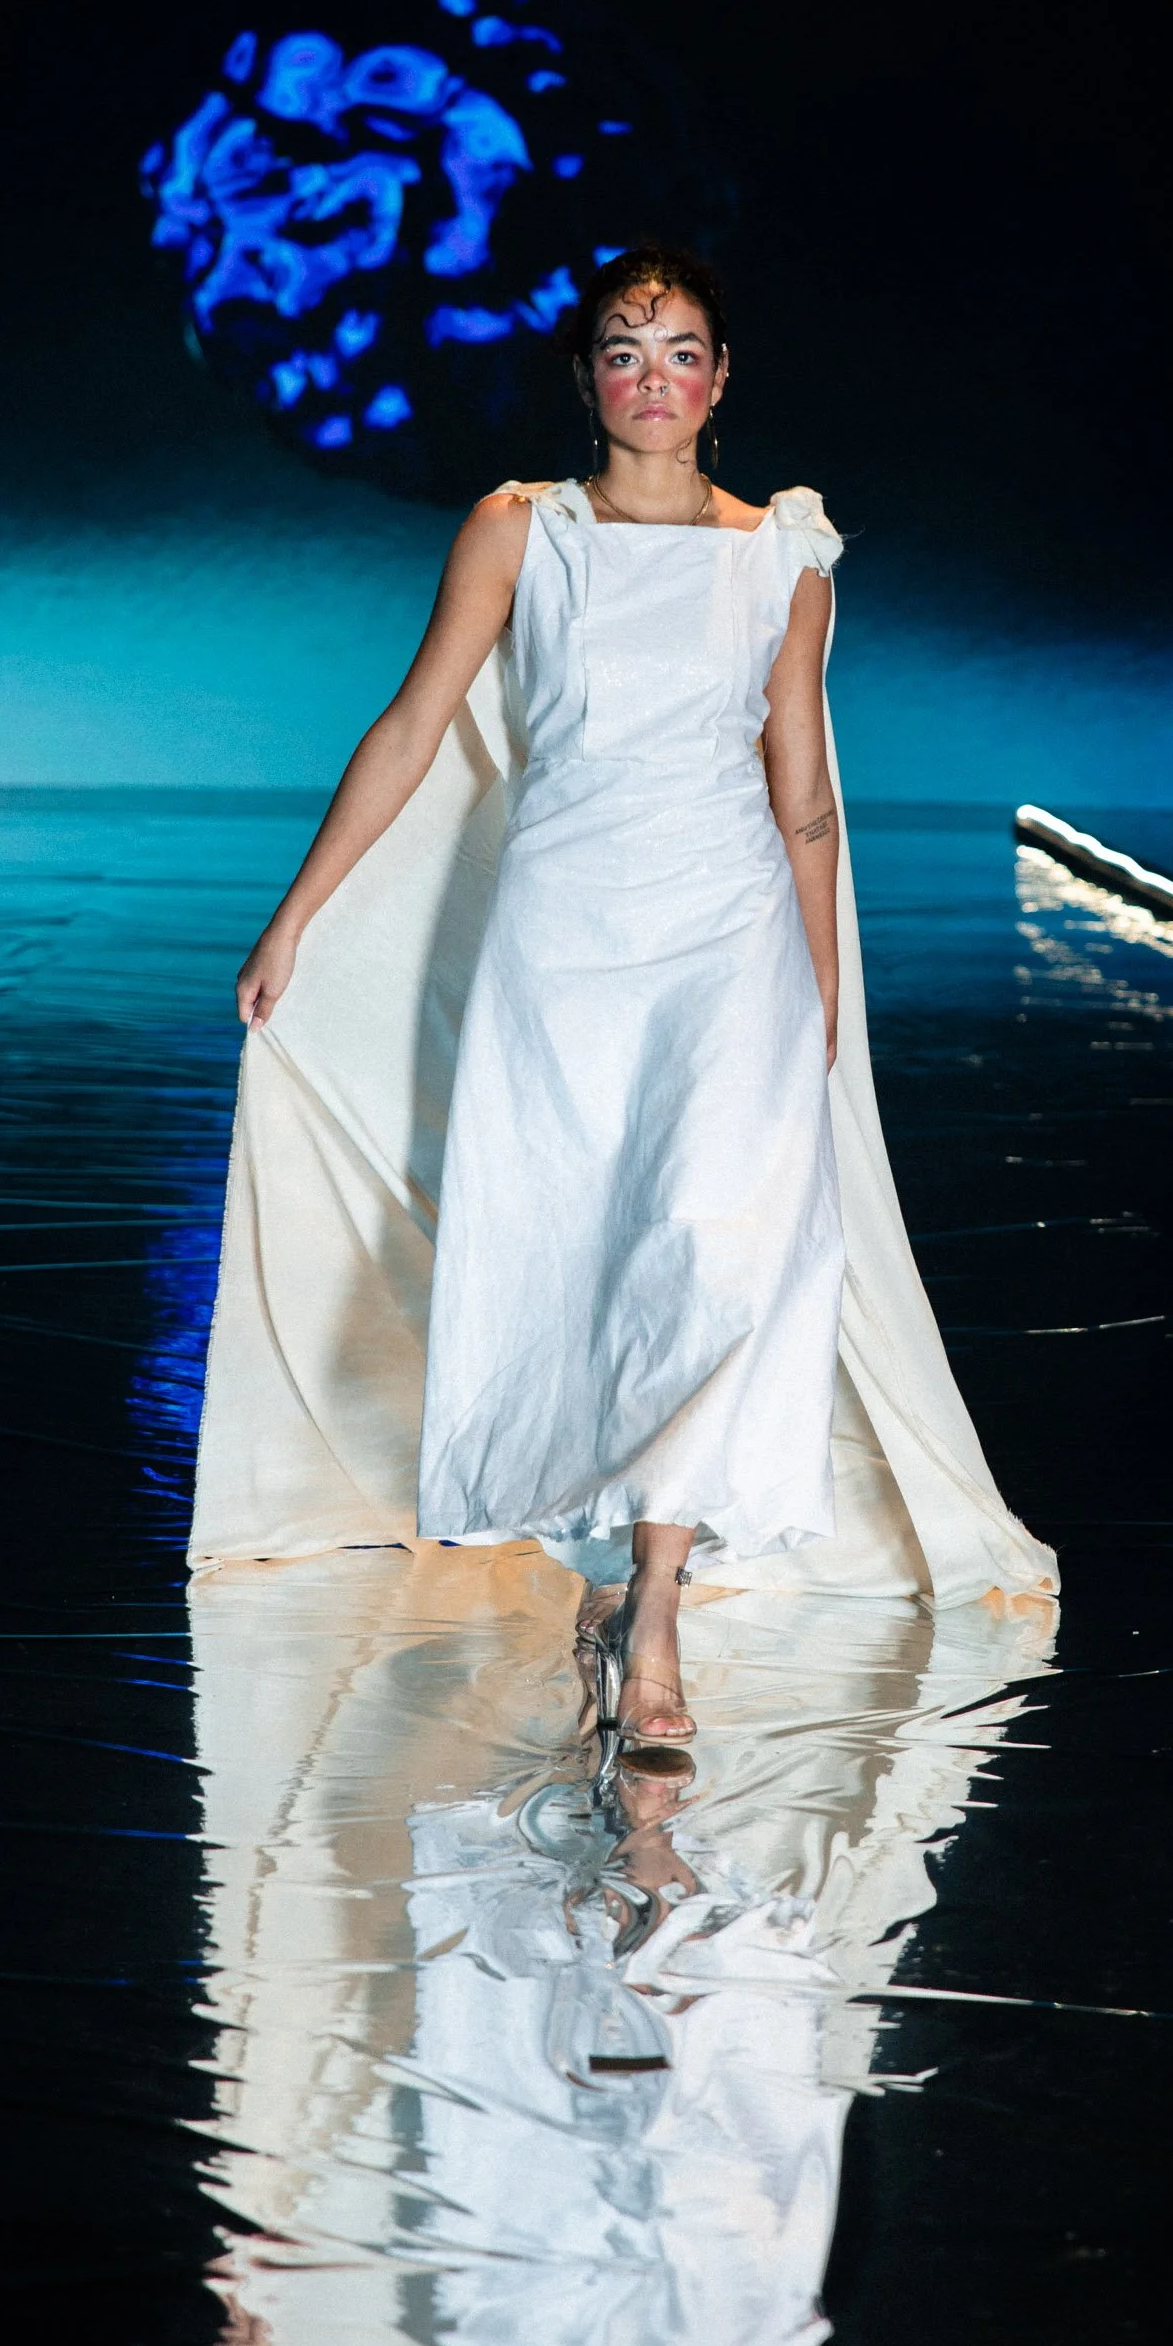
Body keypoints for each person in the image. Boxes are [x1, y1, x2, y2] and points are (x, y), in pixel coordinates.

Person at [198, 244, 1055, 1745]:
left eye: (681, 351)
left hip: (729, 947)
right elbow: (412, 730)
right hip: (567, 943)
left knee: (714, 1257)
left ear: (722, 382)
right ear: (585, 376)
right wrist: (298, 917)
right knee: (587, 1259)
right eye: (623, 348)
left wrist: (821, 1015)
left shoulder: (782, 554)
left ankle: (654, 1619)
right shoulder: (520, 532)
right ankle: (611, 1570)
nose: (652, 376)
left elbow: (802, 799)